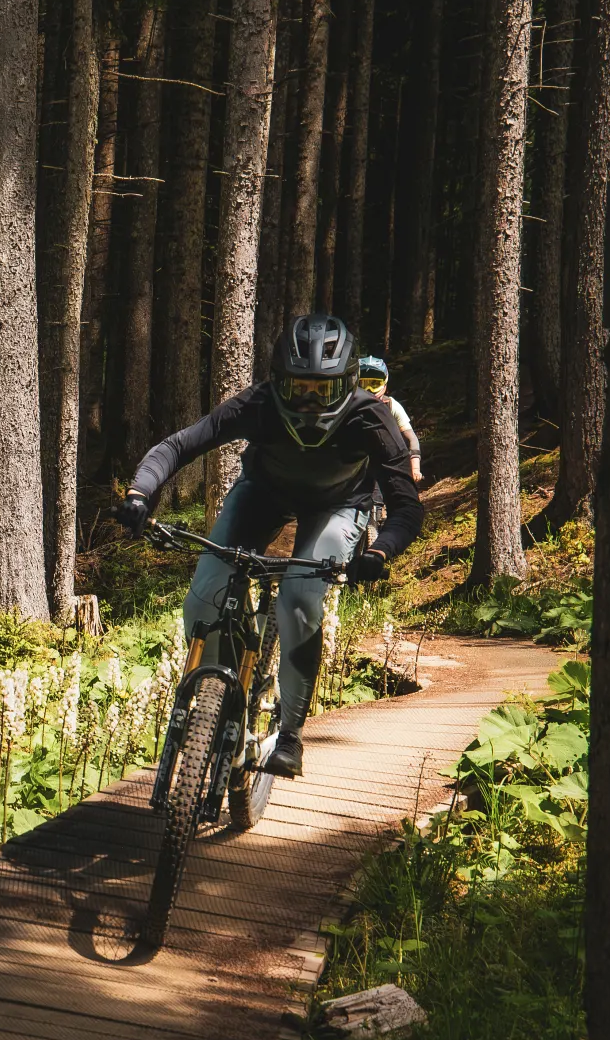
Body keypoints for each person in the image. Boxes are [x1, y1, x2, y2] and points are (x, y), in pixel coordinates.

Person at [116, 313, 423, 778]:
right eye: (297, 387)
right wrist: (140, 494)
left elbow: (406, 507)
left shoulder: (371, 417)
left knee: (299, 601)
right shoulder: (257, 404)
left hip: (339, 506)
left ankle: (291, 736)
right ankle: (216, 705)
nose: (307, 401)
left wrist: (381, 552)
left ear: (347, 384)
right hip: (263, 494)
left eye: (322, 390)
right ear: (277, 381)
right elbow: (178, 447)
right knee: (202, 603)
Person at [359, 355, 422, 482]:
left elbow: (411, 438)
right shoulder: (347, 406)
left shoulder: (392, 405)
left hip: (384, 463)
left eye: (375, 384)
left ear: (385, 383)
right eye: (363, 384)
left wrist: (415, 468)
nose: (369, 390)